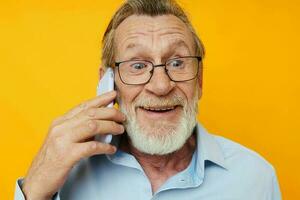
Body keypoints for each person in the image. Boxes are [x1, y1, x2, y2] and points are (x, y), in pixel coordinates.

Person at [14, 0, 281, 199]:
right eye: (138, 66)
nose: (161, 85)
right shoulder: (66, 175)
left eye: (177, 62)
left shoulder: (256, 178)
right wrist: (34, 189)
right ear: (108, 82)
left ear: (199, 80)